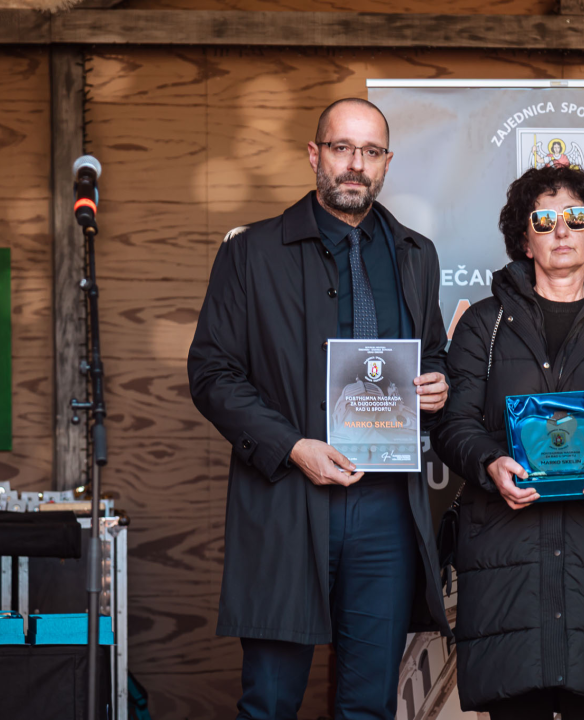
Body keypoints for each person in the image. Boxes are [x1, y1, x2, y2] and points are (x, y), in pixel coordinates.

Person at [188, 97, 451, 720]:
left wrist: (439, 388)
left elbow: (434, 355)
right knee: (270, 702)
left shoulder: (417, 254)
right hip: (284, 498)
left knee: (369, 706)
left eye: (371, 152)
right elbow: (212, 373)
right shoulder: (251, 252)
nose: (355, 165)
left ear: (386, 162)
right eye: (341, 148)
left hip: (386, 505)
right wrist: (291, 446)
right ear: (315, 155)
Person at [430, 165, 584, 719]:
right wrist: (491, 463)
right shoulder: (482, 326)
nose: (561, 231)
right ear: (524, 237)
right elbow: (453, 424)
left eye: (575, 218)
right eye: (544, 219)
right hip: (506, 568)